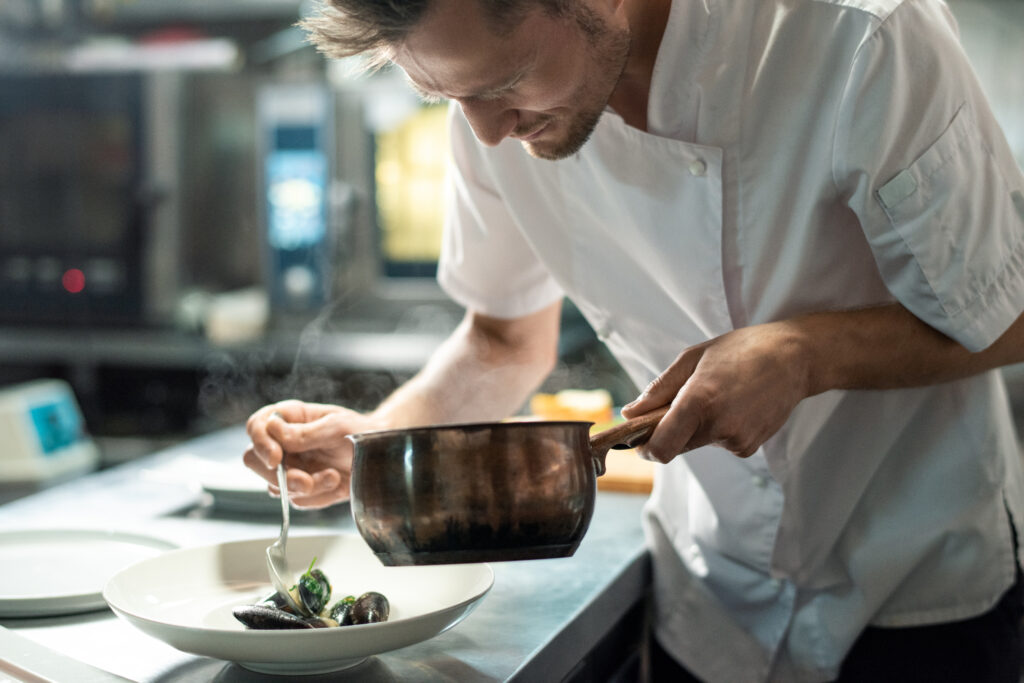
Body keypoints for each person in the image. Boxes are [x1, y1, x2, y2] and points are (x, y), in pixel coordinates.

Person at [243, 0, 1024, 680]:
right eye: (443, 95)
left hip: (919, 589)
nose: (482, 133)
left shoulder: (863, 36)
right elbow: (503, 339)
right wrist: (385, 444)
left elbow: (1009, 306)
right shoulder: (485, 115)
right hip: (710, 602)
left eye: (503, 83)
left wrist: (804, 353)